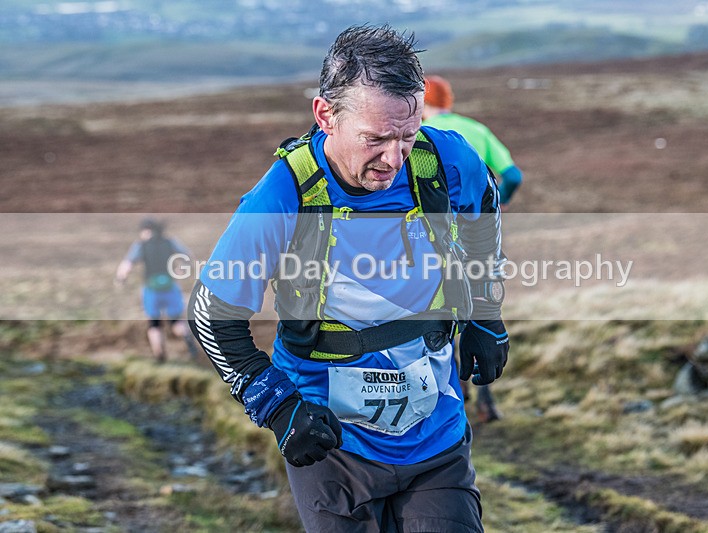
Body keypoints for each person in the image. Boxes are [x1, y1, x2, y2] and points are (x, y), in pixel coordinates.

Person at [188, 24, 509, 532]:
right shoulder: (282, 195)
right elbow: (212, 315)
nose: (393, 157)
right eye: (375, 139)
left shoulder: (445, 159)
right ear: (325, 115)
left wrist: (486, 317)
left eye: (408, 134)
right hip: (332, 449)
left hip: (437, 435)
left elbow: (485, 212)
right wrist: (278, 407)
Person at [422, 74, 520, 423]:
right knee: (481, 309)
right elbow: (513, 176)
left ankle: (454, 395)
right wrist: (500, 203)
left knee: (442, 307)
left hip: (440, 240)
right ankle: (486, 399)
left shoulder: (420, 137)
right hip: (481, 233)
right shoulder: (475, 130)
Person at [422, 74, 523, 206]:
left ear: (423, 101)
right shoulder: (477, 129)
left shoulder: (418, 134)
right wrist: (497, 202)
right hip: (476, 219)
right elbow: (513, 177)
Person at [116, 217, 198, 362]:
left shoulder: (141, 245)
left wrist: (121, 278)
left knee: (154, 324)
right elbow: (188, 257)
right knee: (176, 321)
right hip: (170, 286)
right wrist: (181, 269)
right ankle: (187, 338)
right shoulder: (170, 242)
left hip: (151, 289)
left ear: (146, 231)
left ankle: (160, 356)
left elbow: (127, 265)